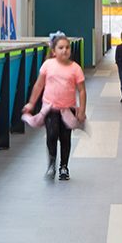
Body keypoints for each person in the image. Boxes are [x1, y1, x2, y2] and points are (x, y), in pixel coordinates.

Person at [21, 31, 87, 181]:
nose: (65, 50)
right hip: (50, 108)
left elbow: (82, 90)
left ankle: (64, 167)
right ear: (54, 51)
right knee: (51, 135)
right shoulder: (48, 65)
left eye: (67, 47)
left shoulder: (75, 68)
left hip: (68, 109)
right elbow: (39, 85)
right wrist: (31, 103)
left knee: (65, 138)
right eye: (61, 48)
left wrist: (81, 110)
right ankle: (51, 164)